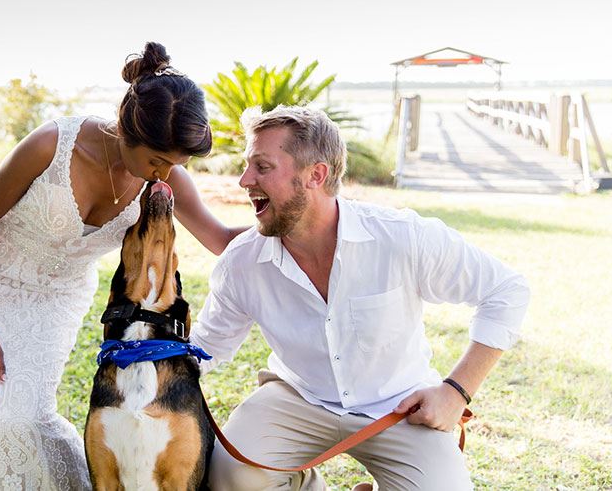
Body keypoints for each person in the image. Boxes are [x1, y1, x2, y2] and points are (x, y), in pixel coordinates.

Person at [0, 42, 243, 490]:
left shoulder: (164, 171)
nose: (163, 174)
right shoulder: (51, 145)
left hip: (56, 300)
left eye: (175, 165)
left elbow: (219, 239)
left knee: (27, 416)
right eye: (157, 161)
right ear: (126, 130)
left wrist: (288, 221)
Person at [190, 105, 530, 490]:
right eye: (248, 165)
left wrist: (455, 392)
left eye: (262, 167)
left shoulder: (402, 236)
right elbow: (207, 347)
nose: (244, 180)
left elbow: (507, 291)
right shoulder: (242, 260)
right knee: (231, 478)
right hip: (298, 398)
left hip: (401, 406)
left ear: (315, 175)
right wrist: (140, 361)